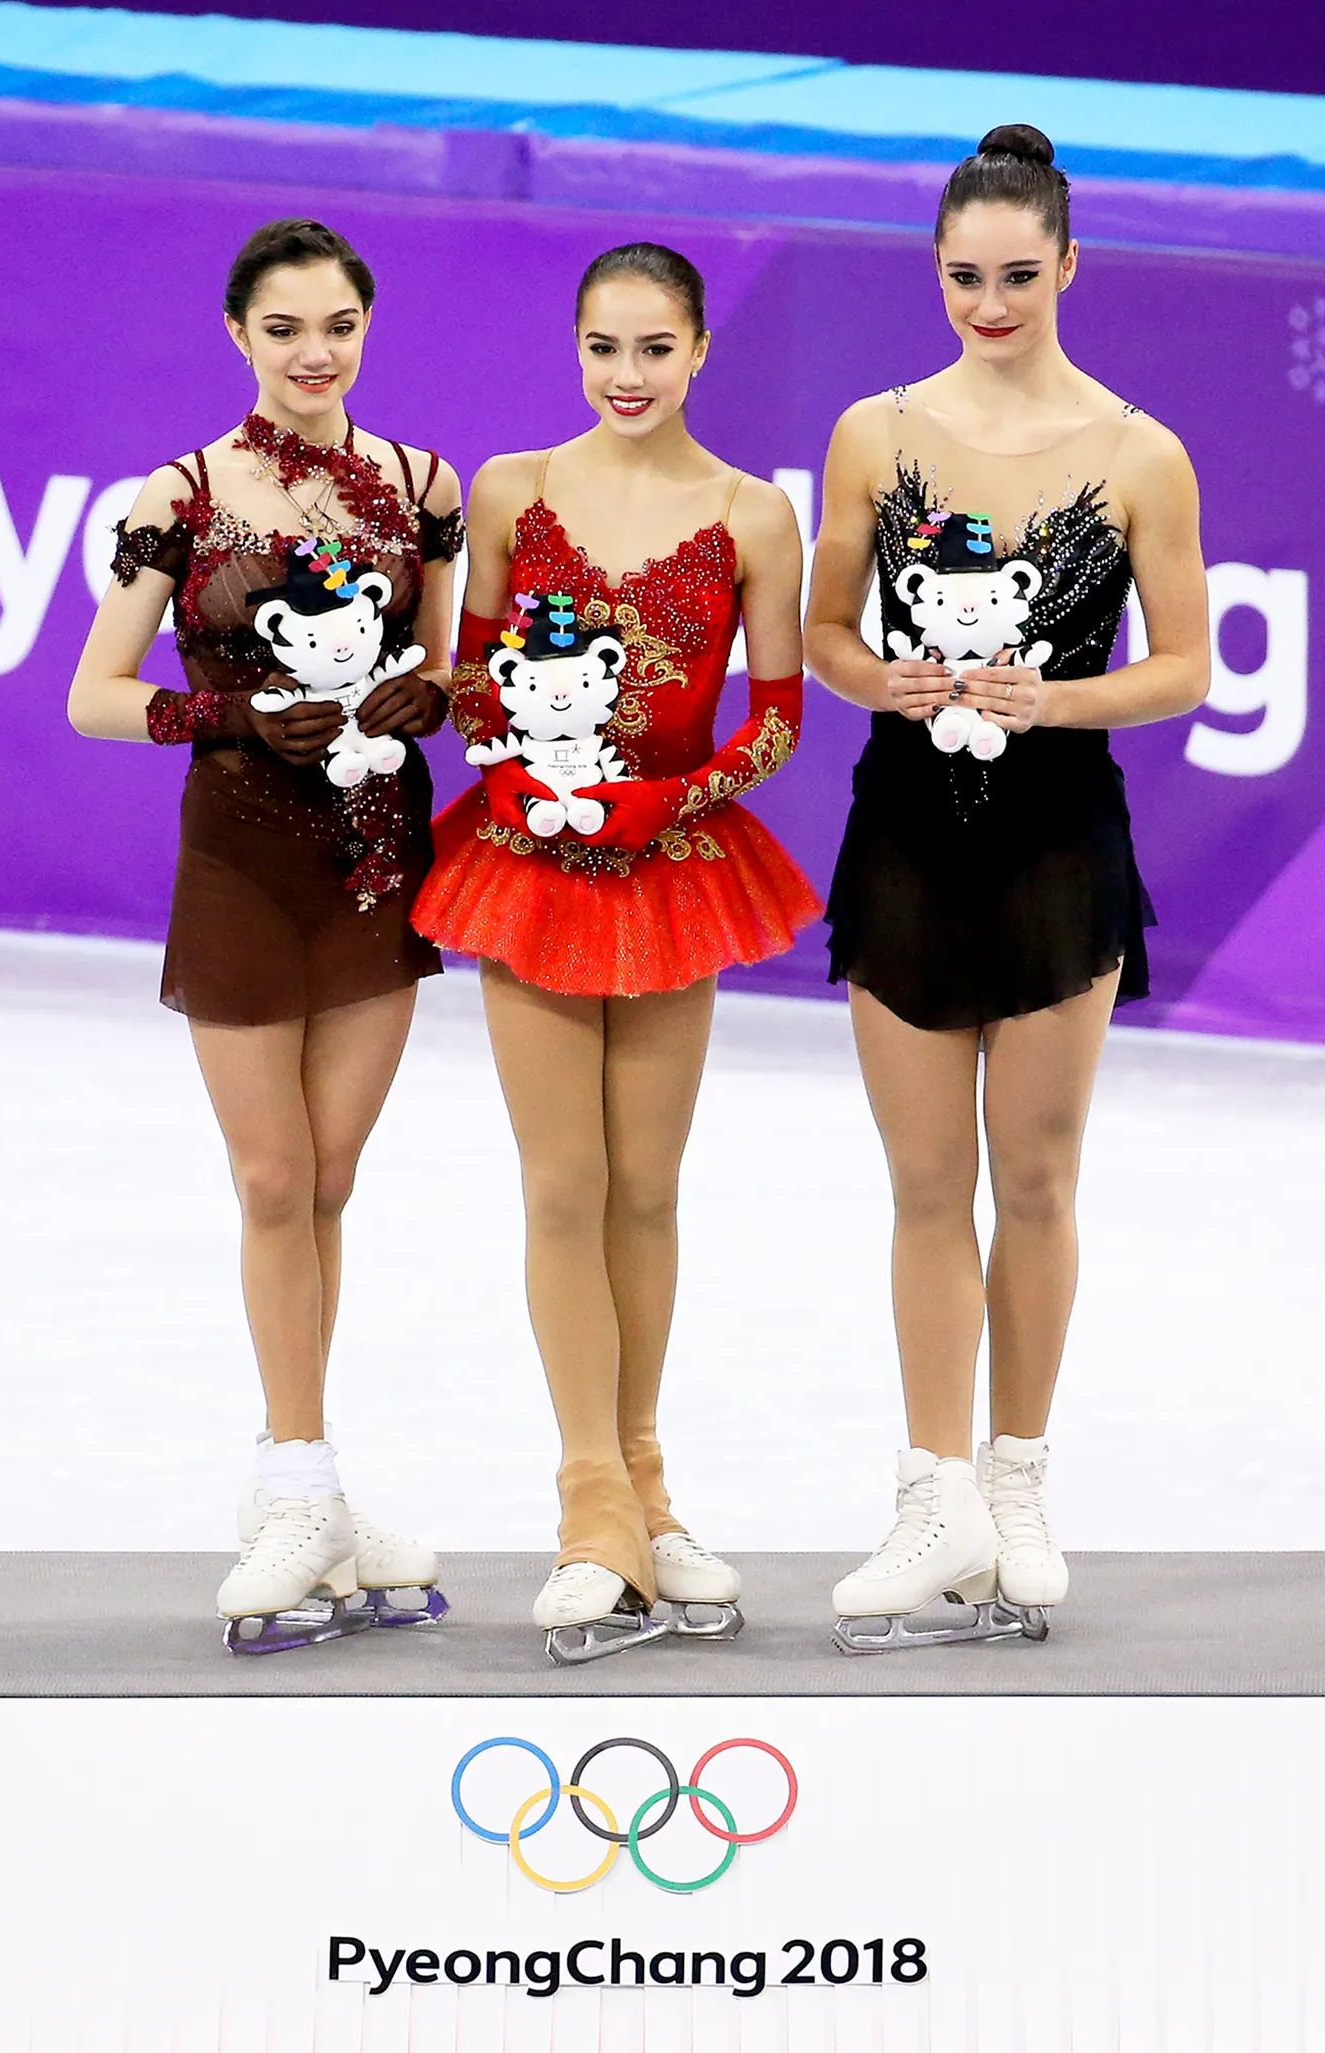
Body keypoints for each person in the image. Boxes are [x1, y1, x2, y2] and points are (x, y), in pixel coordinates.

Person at [803, 127, 1210, 1652]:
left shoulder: (1137, 453)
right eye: (966, 275)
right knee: (924, 1185)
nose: (990, 301)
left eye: (1018, 275)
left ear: (1070, 268)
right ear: (936, 271)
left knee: (1034, 1177)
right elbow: (826, 634)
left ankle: (1018, 1480)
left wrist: (1053, 702)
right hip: (905, 834)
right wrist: (885, 680)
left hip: (1055, 848)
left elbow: (1184, 665)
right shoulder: (873, 433)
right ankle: (929, 1493)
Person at [414, 242, 820, 1663]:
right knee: (563, 1183)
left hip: (670, 867)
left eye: (654, 348)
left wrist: (665, 799)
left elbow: (776, 719)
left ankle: (647, 1489)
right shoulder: (513, 490)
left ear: (701, 350)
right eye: (603, 347)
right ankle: (588, 1499)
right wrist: (512, 766)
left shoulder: (754, 515)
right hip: (532, 863)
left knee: (645, 1186)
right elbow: (469, 671)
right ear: (574, 349)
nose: (627, 376)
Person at [67, 218, 462, 1651]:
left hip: (374, 861)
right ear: (239, 333)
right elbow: (95, 692)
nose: (315, 354)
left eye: (340, 325)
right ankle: (296, 1479)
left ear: (367, 329)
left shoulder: (426, 488)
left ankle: (312, 1483)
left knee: (330, 1178)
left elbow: (456, 665)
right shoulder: (181, 498)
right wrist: (227, 713)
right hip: (239, 860)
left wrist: (444, 697)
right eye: (287, 328)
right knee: (271, 1172)